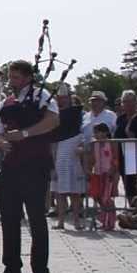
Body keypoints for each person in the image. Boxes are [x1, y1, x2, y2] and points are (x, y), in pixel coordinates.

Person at [0, 60, 59, 273]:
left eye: (17, 77)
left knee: (36, 218)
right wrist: (1, 142)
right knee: (8, 218)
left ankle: (40, 272)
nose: (12, 81)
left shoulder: (42, 95)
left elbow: (53, 121)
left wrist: (26, 133)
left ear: (29, 77)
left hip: (35, 164)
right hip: (10, 166)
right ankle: (11, 269)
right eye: (11, 76)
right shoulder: (7, 101)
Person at [51, 86, 86, 230]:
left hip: (73, 151)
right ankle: (60, 221)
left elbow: (81, 133)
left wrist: (82, 147)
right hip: (60, 152)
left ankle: (76, 221)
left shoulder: (77, 113)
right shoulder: (54, 114)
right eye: (60, 98)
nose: (62, 100)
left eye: (64, 97)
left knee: (75, 191)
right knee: (61, 190)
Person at [115, 90, 137, 202]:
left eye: (130, 101)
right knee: (128, 185)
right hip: (124, 156)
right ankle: (132, 210)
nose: (128, 104)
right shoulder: (120, 119)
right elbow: (116, 137)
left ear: (136, 102)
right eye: (125, 102)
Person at [87, 122, 118, 230]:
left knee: (107, 198)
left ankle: (110, 222)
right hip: (97, 173)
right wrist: (89, 170)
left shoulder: (111, 143)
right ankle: (104, 219)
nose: (95, 134)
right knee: (98, 196)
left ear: (105, 132)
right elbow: (91, 158)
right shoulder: (94, 144)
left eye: (97, 132)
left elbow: (115, 158)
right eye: (94, 132)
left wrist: (113, 170)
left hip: (108, 173)